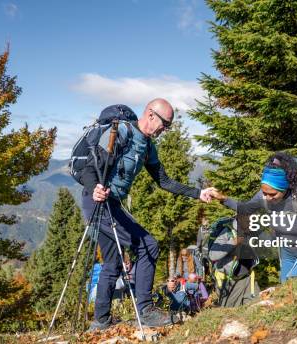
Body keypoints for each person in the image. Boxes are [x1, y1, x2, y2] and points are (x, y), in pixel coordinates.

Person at [80, 98, 216, 330]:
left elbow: (163, 181)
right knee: (148, 245)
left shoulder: (148, 146)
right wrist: (95, 188)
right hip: (98, 202)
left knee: (112, 262)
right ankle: (145, 311)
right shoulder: (121, 132)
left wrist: (198, 193)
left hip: (113, 205)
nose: (166, 129)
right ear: (151, 115)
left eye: (169, 125)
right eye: (165, 123)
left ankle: (100, 321)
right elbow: (89, 167)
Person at [211, 152, 297, 283]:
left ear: (285, 187)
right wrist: (223, 198)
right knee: (285, 284)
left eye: (272, 194)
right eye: (264, 193)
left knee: (294, 283)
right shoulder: (263, 196)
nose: (267, 198)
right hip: (287, 251)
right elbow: (245, 208)